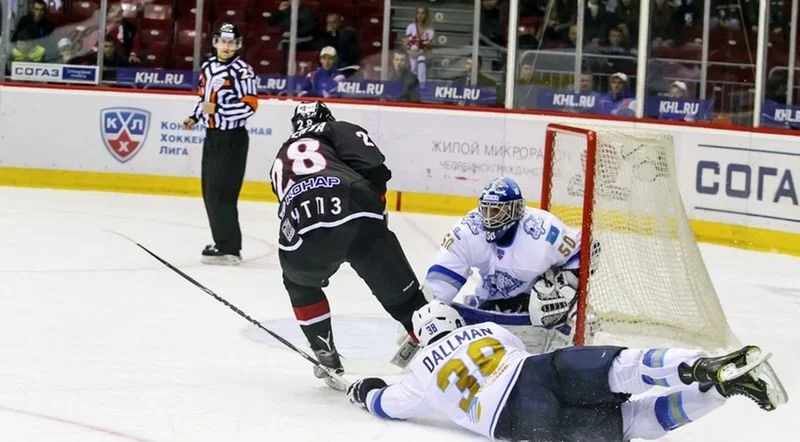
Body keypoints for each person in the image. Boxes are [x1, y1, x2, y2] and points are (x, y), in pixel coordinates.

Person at [347, 301, 787, 441]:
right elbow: (515, 349)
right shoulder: (483, 328)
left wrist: (362, 390)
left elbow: (385, 405)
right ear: (454, 323)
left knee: (632, 423)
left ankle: (720, 394)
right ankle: (707, 368)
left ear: (422, 338)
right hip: (535, 373)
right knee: (622, 369)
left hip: (521, 424)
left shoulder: (422, 372)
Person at [269, 101, 428, 389]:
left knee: (299, 282)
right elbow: (374, 168)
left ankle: (325, 353)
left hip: (301, 226)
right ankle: (429, 337)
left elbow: (286, 197)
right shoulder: (336, 129)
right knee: (403, 296)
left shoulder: (281, 155)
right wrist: (377, 215)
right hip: (354, 206)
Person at [420, 176, 597, 354]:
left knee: (576, 324)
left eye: (496, 211)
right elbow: (443, 277)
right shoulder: (467, 231)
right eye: (486, 210)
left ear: (516, 210)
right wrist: (427, 310)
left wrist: (564, 288)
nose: (488, 218)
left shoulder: (542, 230)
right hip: (489, 302)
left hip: (535, 307)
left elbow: (586, 249)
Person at [183, 23, 258, 265]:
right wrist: (195, 116)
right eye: (223, 41)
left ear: (238, 45)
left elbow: (250, 105)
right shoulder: (208, 67)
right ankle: (223, 242)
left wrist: (220, 108)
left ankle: (229, 248)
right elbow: (203, 98)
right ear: (215, 42)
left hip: (232, 138)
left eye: (231, 42)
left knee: (222, 192)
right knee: (210, 191)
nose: (226, 47)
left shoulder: (242, 71)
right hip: (212, 136)